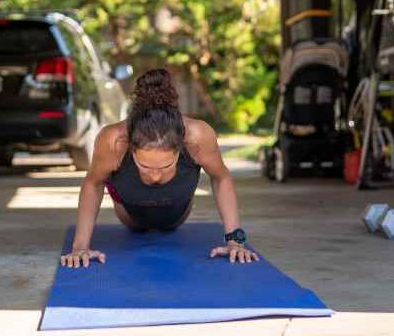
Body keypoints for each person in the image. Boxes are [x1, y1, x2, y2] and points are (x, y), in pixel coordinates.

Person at [60, 68, 258, 268]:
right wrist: (80, 247)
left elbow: (221, 177)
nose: (155, 177)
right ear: (131, 146)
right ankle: (120, 185)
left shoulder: (198, 137)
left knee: (169, 225)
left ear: (180, 146)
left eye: (165, 166)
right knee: (133, 221)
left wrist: (236, 241)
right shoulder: (113, 140)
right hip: (130, 213)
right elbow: (93, 184)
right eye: (145, 166)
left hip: (177, 212)